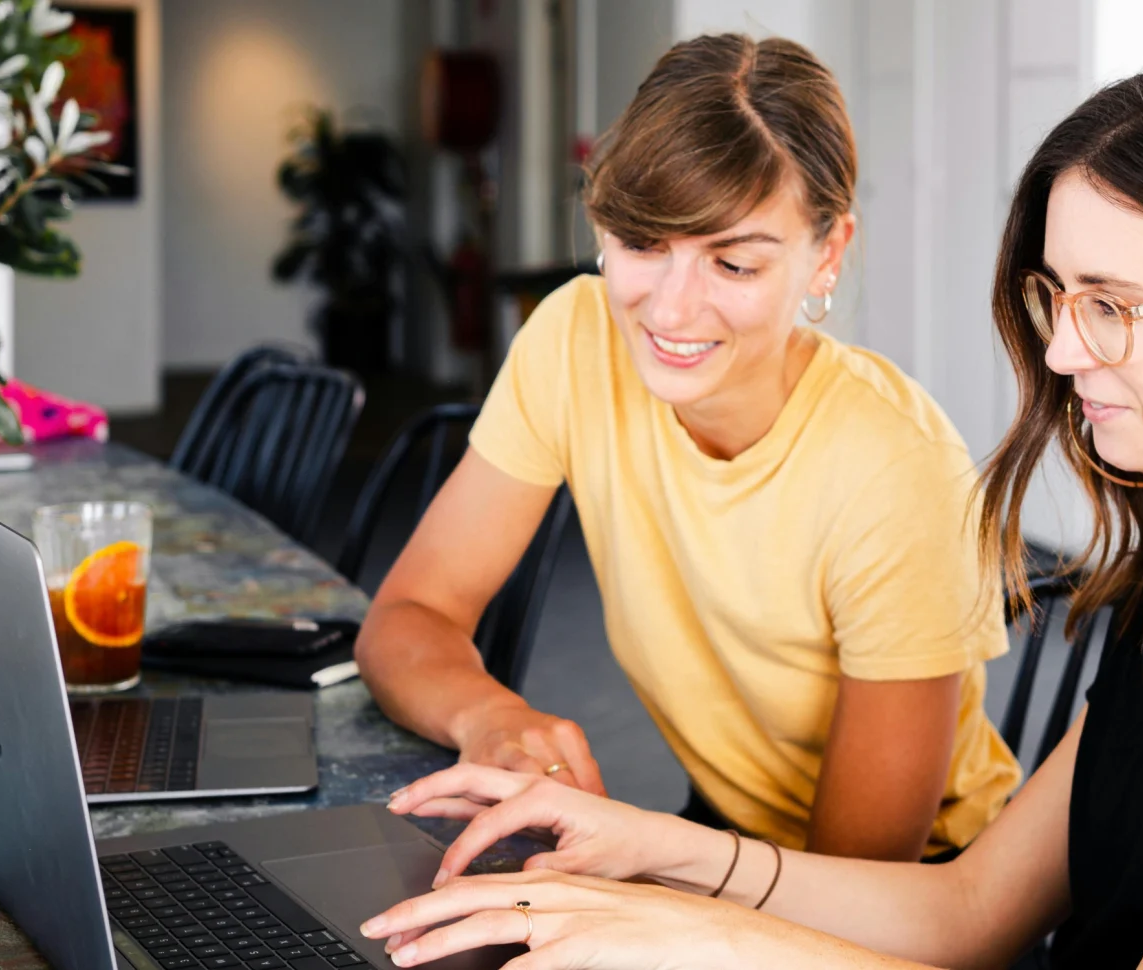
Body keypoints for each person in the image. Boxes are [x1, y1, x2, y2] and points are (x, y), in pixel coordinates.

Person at [356, 57, 1143, 969]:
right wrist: (650, 853)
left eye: (1111, 305)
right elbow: (967, 913)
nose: (1057, 349)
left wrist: (688, 932)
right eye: (1058, 297)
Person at [354, 32, 1019, 864]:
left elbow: (858, 886)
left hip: (912, 897)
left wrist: (648, 860)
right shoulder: (574, 337)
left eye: (733, 264)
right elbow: (406, 619)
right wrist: (489, 715)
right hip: (725, 831)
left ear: (827, 255)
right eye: (642, 244)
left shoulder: (897, 471)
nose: (670, 311)